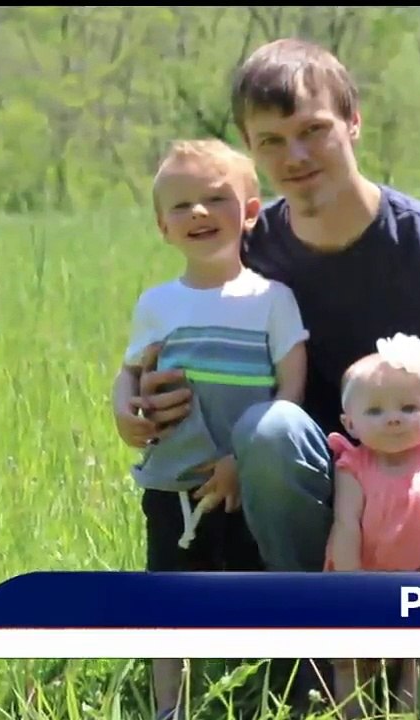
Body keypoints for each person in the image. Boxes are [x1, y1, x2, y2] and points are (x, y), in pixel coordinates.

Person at [117, 38, 420, 708]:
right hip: (308, 505)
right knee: (270, 428)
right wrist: (127, 404)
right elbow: (166, 337)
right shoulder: (249, 249)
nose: (296, 158)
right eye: (271, 142)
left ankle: (416, 635)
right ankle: (317, 638)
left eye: (314, 131)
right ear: (250, 147)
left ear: (353, 122)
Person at [110, 138, 309, 720]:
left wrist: (244, 464)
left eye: (215, 199)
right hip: (175, 480)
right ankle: (171, 706)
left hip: (245, 480)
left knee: (254, 587)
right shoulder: (158, 303)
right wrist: (125, 413)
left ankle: (270, 697)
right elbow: (130, 372)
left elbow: (290, 387)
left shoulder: (272, 300)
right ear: (161, 227)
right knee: (169, 596)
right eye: (181, 206)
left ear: (250, 212)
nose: (198, 213)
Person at [325, 333, 420, 716]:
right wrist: (350, 577)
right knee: (349, 657)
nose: (393, 417)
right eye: (375, 411)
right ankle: (352, 710)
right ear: (350, 424)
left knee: (414, 655)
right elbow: (346, 523)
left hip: (419, 578)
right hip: (359, 575)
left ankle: (406, 710)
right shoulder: (353, 466)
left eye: (408, 407)